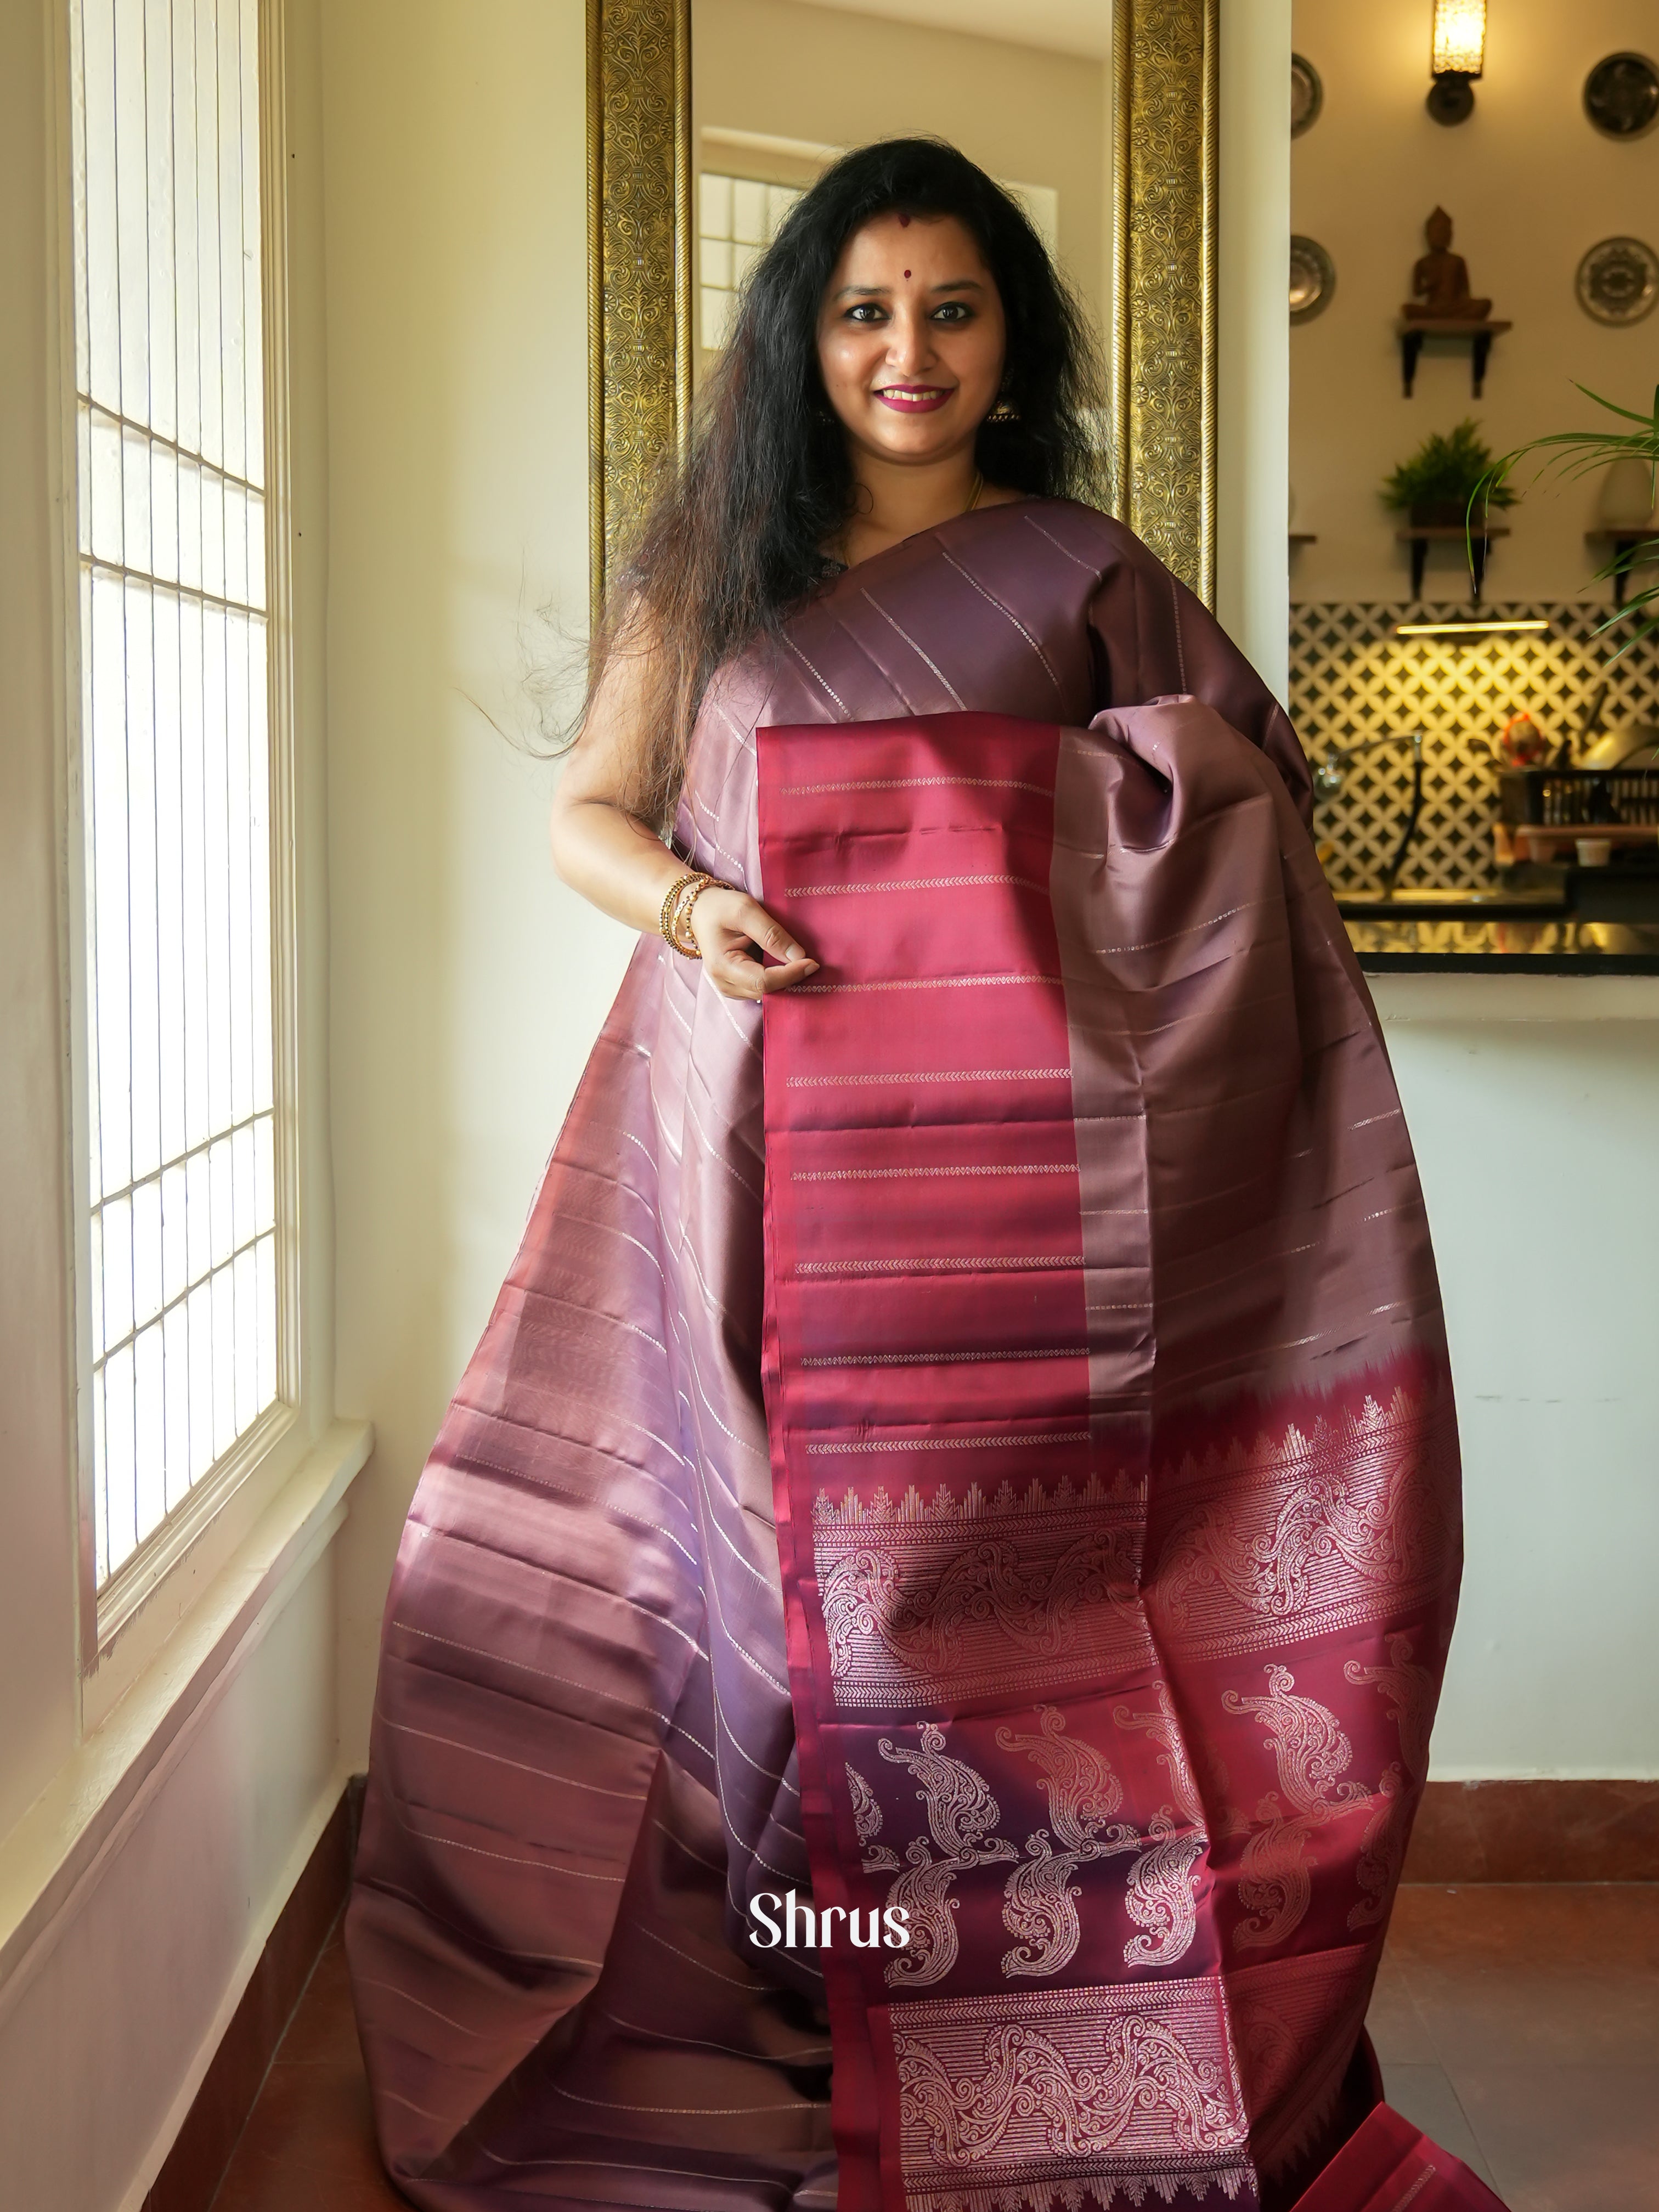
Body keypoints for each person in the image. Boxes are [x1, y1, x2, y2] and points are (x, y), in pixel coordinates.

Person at [346, 140, 1498, 2212]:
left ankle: (1013, 2019)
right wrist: (701, 913)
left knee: (977, 1621)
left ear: (1008, 340)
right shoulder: (714, 571)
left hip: (1017, 1212)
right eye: (865, 309)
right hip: (757, 1144)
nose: (908, 352)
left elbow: (1237, 817)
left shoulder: (1080, 572)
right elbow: (590, 820)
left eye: (951, 310)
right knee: (757, 1613)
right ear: (803, 333)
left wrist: (1052, 830)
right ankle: (792, 2010)